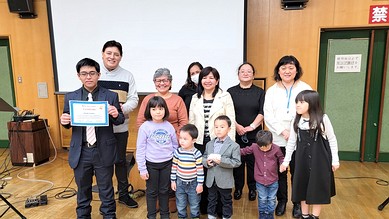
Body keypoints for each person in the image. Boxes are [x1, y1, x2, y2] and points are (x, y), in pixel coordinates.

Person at [60, 58, 125, 218]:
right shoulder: (71, 97)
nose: (88, 77)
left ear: (98, 74)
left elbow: (120, 119)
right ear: (78, 76)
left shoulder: (110, 96)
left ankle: (109, 216)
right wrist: (64, 121)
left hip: (103, 149)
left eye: (92, 73)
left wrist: (116, 114)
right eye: (84, 74)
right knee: (82, 191)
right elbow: (68, 120)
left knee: (106, 191)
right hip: (81, 151)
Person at [263, 55, 312, 218]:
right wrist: (282, 131)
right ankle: (282, 201)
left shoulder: (305, 88)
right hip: (278, 138)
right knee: (280, 172)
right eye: (283, 68)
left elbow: (310, 111)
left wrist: (294, 131)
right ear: (278, 70)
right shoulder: (271, 90)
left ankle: (297, 203)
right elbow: (268, 114)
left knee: (298, 172)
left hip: (300, 139)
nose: (287, 71)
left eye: (291, 67)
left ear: (297, 70)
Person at [280, 90, 339, 219]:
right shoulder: (296, 121)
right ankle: (305, 215)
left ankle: (315, 216)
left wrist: (335, 160)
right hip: (302, 160)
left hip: (320, 160)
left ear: (312, 103)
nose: (297, 105)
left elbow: (332, 139)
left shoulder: (323, 119)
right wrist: (286, 161)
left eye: (301, 102)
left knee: (317, 188)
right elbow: (291, 142)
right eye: (296, 102)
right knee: (302, 187)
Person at [189, 66, 236, 214]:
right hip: (200, 143)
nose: (207, 80)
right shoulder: (195, 98)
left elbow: (231, 120)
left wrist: (230, 144)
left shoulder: (225, 96)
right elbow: (191, 121)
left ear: (217, 81)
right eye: (204, 77)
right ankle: (205, 208)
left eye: (211, 78)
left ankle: (221, 209)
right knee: (202, 175)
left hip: (220, 142)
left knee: (220, 175)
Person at [98, 40, 139, 208]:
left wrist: (122, 110)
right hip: (99, 130)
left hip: (121, 127)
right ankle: (106, 200)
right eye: (109, 53)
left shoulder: (127, 75)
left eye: (116, 54)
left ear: (120, 57)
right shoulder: (95, 74)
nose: (112, 57)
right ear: (102, 54)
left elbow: (134, 99)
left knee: (121, 162)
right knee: (103, 164)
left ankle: (123, 194)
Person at [136, 96, 179, 219]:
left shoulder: (169, 126)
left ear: (165, 110)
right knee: (151, 192)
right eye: (154, 109)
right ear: (149, 111)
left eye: (160, 108)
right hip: (151, 165)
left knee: (165, 191)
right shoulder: (145, 127)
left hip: (167, 164)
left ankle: (165, 215)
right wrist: (142, 169)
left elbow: (175, 146)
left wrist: (175, 165)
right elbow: (140, 149)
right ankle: (151, 215)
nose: (158, 112)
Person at [227, 62, 265, 201]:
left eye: (249, 71)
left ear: (253, 75)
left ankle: (252, 189)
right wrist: (237, 126)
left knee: (253, 163)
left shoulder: (260, 92)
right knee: (237, 162)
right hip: (235, 132)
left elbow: (262, 112)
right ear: (238, 75)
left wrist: (252, 126)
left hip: (254, 134)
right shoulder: (230, 92)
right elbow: (229, 112)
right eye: (242, 71)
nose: (245, 73)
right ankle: (238, 188)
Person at [202, 115, 241, 219]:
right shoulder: (209, 144)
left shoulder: (234, 145)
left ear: (229, 129)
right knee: (211, 199)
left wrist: (221, 161)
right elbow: (204, 157)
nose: (218, 129)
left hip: (225, 180)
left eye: (222, 127)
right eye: (216, 127)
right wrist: (207, 163)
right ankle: (211, 216)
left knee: (226, 200)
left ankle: (227, 216)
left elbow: (237, 162)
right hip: (211, 179)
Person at [240, 130, 284, 219]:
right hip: (260, 181)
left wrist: (283, 164)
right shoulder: (255, 147)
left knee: (271, 199)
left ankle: (270, 214)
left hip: (273, 180)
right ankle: (262, 214)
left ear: (271, 142)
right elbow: (244, 151)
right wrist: (231, 151)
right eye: (261, 147)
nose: (263, 149)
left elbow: (281, 157)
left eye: (266, 147)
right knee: (262, 199)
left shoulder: (276, 148)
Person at [137, 68, 188, 138]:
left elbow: (184, 123)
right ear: (154, 82)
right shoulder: (148, 99)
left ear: (170, 82)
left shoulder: (178, 100)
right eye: (158, 80)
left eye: (165, 80)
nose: (161, 83)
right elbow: (140, 121)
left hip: (173, 140)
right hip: (151, 141)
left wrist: (176, 138)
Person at [171, 124, 204, 219]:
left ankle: (195, 217)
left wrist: (200, 184)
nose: (181, 141)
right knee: (180, 204)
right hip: (179, 182)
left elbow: (200, 170)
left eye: (185, 139)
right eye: (180, 138)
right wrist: (173, 181)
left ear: (193, 140)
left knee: (194, 205)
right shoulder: (177, 152)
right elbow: (174, 167)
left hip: (193, 183)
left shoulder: (196, 153)